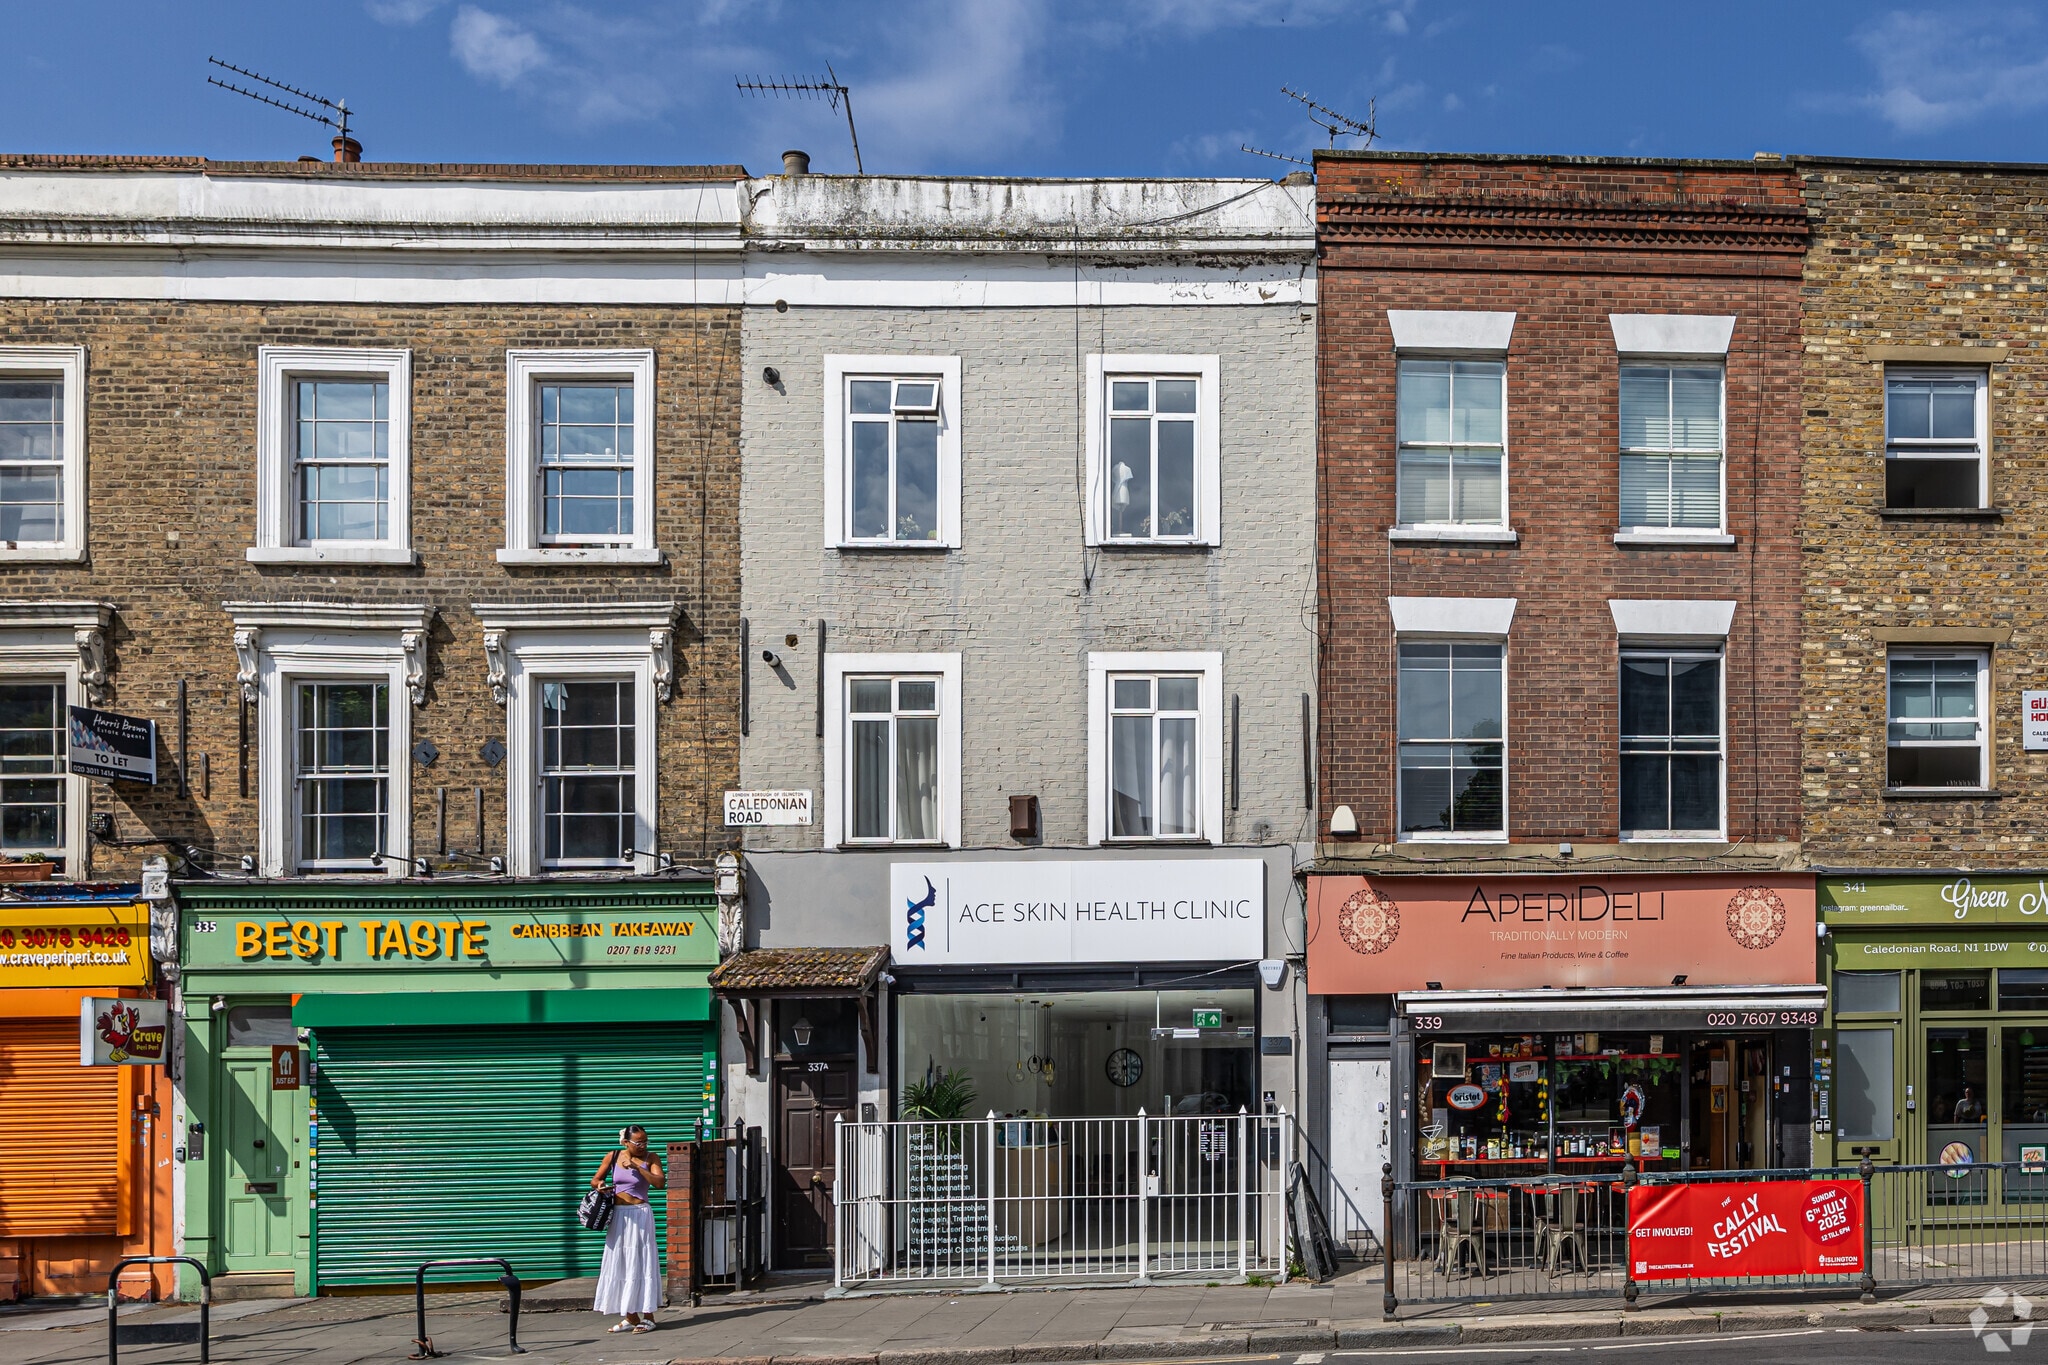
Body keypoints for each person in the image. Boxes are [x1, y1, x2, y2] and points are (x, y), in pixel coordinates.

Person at [592, 1126, 665, 1333]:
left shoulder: (651, 1158)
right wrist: (600, 1185)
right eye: (638, 1143)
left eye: (645, 1142)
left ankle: (648, 1316)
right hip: (618, 1215)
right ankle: (630, 1316)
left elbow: (660, 1182)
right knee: (621, 1262)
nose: (643, 1146)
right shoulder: (613, 1156)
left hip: (640, 1213)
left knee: (641, 1261)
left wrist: (637, 1167)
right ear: (626, 1142)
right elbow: (595, 1179)